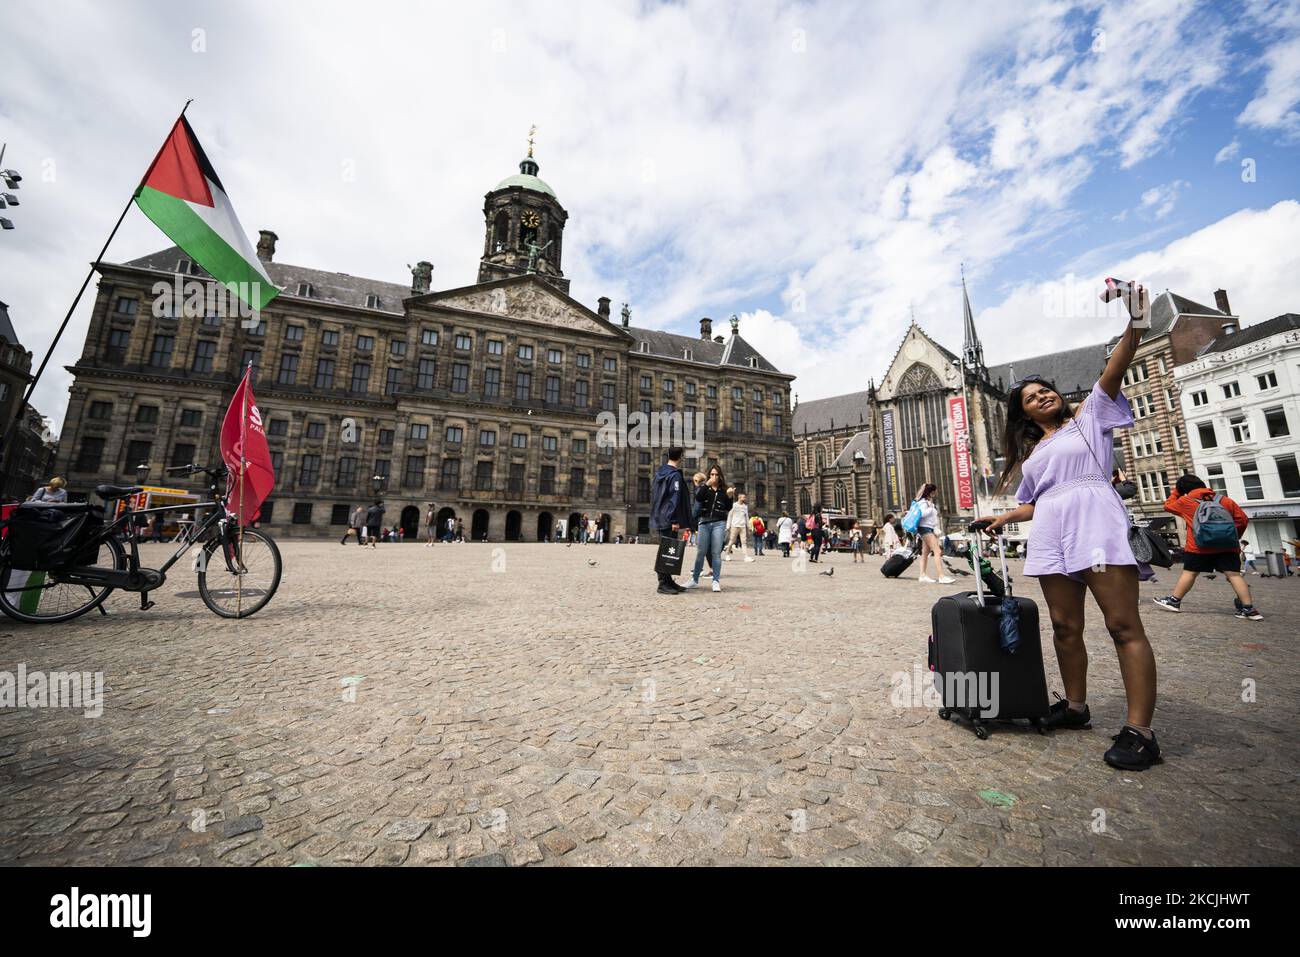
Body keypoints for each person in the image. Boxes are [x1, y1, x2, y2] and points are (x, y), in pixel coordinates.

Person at [978, 281, 1160, 771]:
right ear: (1024, 414)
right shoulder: (1034, 453)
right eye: (1033, 397)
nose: (1043, 396)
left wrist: (1135, 309)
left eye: (1046, 390)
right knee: (1064, 627)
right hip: (1052, 530)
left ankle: (1141, 730)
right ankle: (1076, 708)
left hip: (1096, 522)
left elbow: (1121, 357)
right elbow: (1035, 503)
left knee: (1123, 626)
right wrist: (1002, 517)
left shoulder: (1090, 416)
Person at [1152, 476, 1261, 619]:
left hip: (1199, 546)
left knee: (1190, 573)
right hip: (1227, 547)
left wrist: (1176, 492)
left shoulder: (1185, 501)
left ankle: (1174, 601)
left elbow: (1168, 505)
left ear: (1183, 489)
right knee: (1234, 575)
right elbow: (1242, 520)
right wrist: (1232, 537)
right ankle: (1249, 609)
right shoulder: (1224, 500)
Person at [649, 446, 692, 594]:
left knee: (667, 548)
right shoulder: (674, 476)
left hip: (661, 515)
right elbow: (675, 497)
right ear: (680, 457)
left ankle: (668, 581)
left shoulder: (660, 472)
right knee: (667, 550)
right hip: (669, 517)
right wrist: (674, 519)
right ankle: (662, 584)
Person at [684, 464, 731, 591]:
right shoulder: (704, 488)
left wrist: (730, 497)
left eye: (716, 474)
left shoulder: (724, 490)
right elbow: (698, 498)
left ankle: (716, 581)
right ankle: (694, 580)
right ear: (709, 475)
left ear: (720, 476)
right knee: (701, 552)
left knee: (715, 553)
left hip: (719, 523)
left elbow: (728, 507)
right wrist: (706, 485)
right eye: (712, 474)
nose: (714, 477)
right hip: (704, 522)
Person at [912, 484, 953, 584]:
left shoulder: (926, 502)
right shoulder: (924, 503)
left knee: (925, 553)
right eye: (935, 491)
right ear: (930, 492)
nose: (936, 493)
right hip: (925, 529)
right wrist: (931, 508)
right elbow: (921, 514)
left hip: (928, 528)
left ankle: (922, 575)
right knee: (937, 551)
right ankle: (941, 576)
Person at [724, 493, 754, 562]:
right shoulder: (733, 505)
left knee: (744, 542)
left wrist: (748, 527)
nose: (745, 498)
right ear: (739, 498)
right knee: (732, 541)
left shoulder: (745, 506)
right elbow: (730, 516)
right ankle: (727, 554)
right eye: (743, 497)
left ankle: (746, 557)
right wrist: (728, 526)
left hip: (742, 526)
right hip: (734, 525)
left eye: (745, 497)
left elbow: (746, 517)